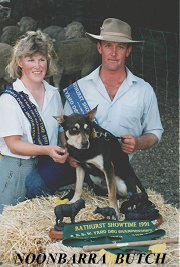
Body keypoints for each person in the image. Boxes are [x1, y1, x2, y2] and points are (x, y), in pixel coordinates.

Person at [63, 18, 163, 181]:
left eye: (120, 47)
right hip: (84, 174)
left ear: (128, 51)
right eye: (108, 45)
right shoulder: (78, 88)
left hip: (123, 175)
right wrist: (69, 154)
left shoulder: (144, 90)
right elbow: (63, 131)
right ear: (99, 48)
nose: (114, 53)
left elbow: (155, 132)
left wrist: (137, 143)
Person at [0, 31, 75, 213]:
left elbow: (60, 131)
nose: (37, 66)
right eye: (30, 60)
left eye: (42, 59)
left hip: (46, 165)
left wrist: (68, 151)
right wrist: (47, 150)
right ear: (19, 62)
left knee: (41, 215)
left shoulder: (53, 93)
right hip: (17, 165)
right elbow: (14, 144)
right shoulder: (8, 99)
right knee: (10, 217)